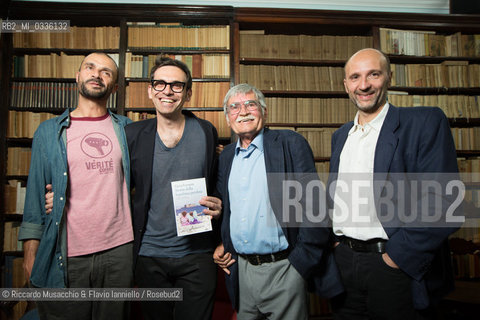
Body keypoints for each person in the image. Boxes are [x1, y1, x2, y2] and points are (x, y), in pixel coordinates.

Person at [329, 48, 461, 319]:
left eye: (373, 74)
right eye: (355, 77)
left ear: (389, 77)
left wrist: (395, 258)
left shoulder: (424, 122)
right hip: (344, 266)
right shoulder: (341, 136)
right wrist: (335, 245)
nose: (363, 85)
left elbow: (445, 201)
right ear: (346, 86)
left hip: (393, 263)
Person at [18, 52, 133, 320]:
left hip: (119, 250)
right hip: (65, 250)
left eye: (106, 71)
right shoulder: (48, 132)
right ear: (78, 76)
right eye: (90, 67)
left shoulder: (128, 130)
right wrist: (30, 253)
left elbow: (146, 184)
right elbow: (35, 195)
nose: (96, 74)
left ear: (114, 87)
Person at [213, 83, 343, 320]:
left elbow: (316, 207)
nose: (243, 111)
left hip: (284, 269)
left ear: (264, 111)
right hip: (241, 271)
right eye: (234, 107)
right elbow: (227, 209)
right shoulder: (227, 156)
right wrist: (223, 243)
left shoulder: (290, 143)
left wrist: (301, 264)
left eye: (251, 104)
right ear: (228, 118)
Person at [124, 56, 222, 320]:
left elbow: (216, 182)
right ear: (150, 90)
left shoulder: (205, 131)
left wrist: (219, 204)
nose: (167, 91)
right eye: (160, 84)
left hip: (198, 255)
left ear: (188, 93)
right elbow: (114, 187)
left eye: (177, 85)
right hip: (148, 255)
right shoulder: (132, 135)